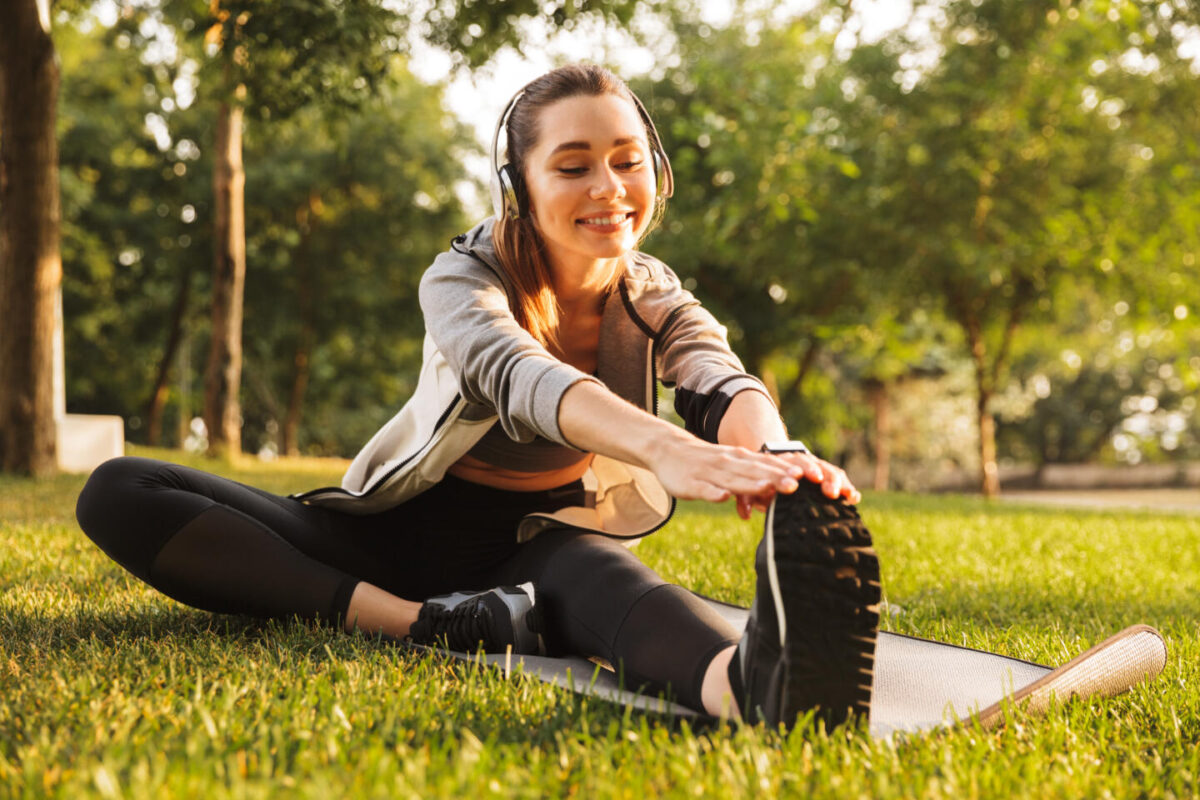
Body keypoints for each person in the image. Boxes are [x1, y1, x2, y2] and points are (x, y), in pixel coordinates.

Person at [76, 64, 880, 728]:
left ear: (656, 171)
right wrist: (668, 449)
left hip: (532, 554)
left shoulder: (652, 293)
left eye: (628, 160)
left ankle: (751, 688)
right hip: (389, 542)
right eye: (572, 166)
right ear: (521, 185)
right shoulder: (462, 278)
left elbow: (715, 374)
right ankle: (422, 626)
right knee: (120, 490)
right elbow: (519, 375)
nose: (609, 186)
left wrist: (777, 457)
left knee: (611, 584)